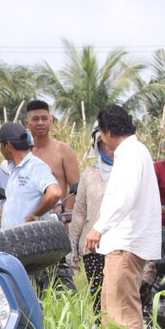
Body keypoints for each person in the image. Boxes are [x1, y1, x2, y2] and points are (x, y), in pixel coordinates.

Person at [84, 105, 161, 329]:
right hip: (121, 243)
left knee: (123, 314)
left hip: (125, 244)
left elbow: (124, 198)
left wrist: (99, 227)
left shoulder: (131, 153)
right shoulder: (134, 151)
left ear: (107, 131)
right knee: (110, 312)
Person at [0, 122, 62, 228]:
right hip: (13, 235)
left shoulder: (35, 166)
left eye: (1, 145)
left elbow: (55, 193)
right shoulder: (15, 169)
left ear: (8, 145)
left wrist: (34, 217)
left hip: (29, 235)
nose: (0, 149)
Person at [71, 126, 112, 312]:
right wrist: (73, 246)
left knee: (118, 301)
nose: (110, 148)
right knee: (98, 302)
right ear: (97, 145)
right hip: (93, 248)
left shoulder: (130, 172)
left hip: (120, 247)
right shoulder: (89, 173)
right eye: (105, 143)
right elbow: (80, 212)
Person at [24, 99, 81, 211]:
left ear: (50, 121)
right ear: (27, 123)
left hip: (55, 217)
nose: (40, 123)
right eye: (35, 119)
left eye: (44, 118)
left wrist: (64, 213)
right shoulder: (23, 153)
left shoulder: (63, 150)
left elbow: (77, 189)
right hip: (27, 217)